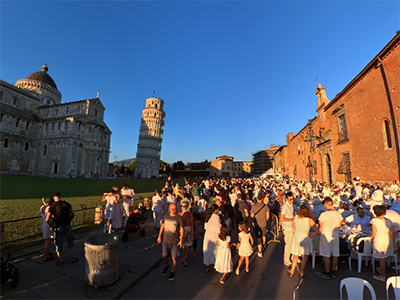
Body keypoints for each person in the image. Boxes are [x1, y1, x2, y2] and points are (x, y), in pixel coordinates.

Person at [46, 192, 77, 266]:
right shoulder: (66, 204)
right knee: (70, 241)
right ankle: (73, 257)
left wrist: (51, 226)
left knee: (59, 243)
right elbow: (73, 214)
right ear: (60, 196)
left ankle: (61, 260)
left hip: (58, 226)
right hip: (67, 225)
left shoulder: (52, 206)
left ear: (54, 198)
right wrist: (69, 220)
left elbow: (47, 219)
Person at [288, 205, 319, 278]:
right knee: (304, 256)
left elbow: (293, 226)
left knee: (295, 255)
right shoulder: (309, 220)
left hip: (297, 237)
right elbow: (317, 231)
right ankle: (301, 271)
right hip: (305, 237)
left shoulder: (296, 217)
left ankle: (292, 270)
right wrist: (311, 236)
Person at [317, 197, 343, 279]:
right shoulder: (338, 214)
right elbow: (339, 225)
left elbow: (320, 226)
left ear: (326, 204)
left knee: (326, 255)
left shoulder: (323, 215)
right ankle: (333, 271)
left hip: (326, 235)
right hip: (335, 235)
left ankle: (327, 272)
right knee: (335, 254)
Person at [157, 203, 184, 281]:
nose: (173, 210)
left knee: (174, 257)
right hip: (165, 240)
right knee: (164, 256)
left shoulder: (179, 218)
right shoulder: (166, 216)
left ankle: (172, 271)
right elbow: (162, 226)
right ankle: (167, 265)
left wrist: (181, 240)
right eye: (171, 208)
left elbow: (182, 229)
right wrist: (159, 236)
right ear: (169, 209)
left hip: (174, 241)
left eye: (174, 209)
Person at [371, 205, 397, 281]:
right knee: (384, 257)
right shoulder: (389, 221)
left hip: (379, 241)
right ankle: (382, 269)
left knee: (381, 258)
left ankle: (382, 275)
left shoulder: (374, 221)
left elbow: (373, 233)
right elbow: (392, 233)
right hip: (387, 240)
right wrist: (394, 243)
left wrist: (369, 238)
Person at [203, 204, 221, 272]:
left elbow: (205, 227)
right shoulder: (216, 217)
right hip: (214, 236)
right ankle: (215, 264)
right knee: (215, 250)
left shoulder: (208, 216)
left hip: (207, 235)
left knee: (207, 250)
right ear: (215, 210)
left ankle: (207, 266)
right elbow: (218, 228)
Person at [251, 193, 270, 257]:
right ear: (262, 199)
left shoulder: (254, 206)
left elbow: (252, 215)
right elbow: (267, 217)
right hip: (264, 223)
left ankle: (260, 251)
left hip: (257, 224)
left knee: (258, 237)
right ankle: (264, 245)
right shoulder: (266, 206)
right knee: (264, 235)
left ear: (257, 199)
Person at [280, 192, 294, 267]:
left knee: (291, 243)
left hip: (290, 227)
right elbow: (282, 218)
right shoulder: (285, 206)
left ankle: (291, 256)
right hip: (287, 227)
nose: (292, 201)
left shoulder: (290, 205)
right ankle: (286, 259)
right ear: (286, 199)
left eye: (292, 199)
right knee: (288, 244)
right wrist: (291, 219)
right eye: (290, 199)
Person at [178, 199, 193, 267]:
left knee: (186, 246)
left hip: (187, 229)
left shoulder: (189, 214)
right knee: (183, 245)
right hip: (182, 230)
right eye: (181, 206)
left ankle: (186, 258)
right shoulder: (179, 214)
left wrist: (192, 232)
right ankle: (185, 257)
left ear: (186, 206)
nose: (183, 207)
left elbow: (192, 223)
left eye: (184, 206)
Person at [40, 197, 54, 261]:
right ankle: (46, 256)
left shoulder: (42, 207)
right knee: (48, 241)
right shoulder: (50, 208)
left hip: (44, 225)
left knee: (49, 240)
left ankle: (46, 252)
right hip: (49, 225)